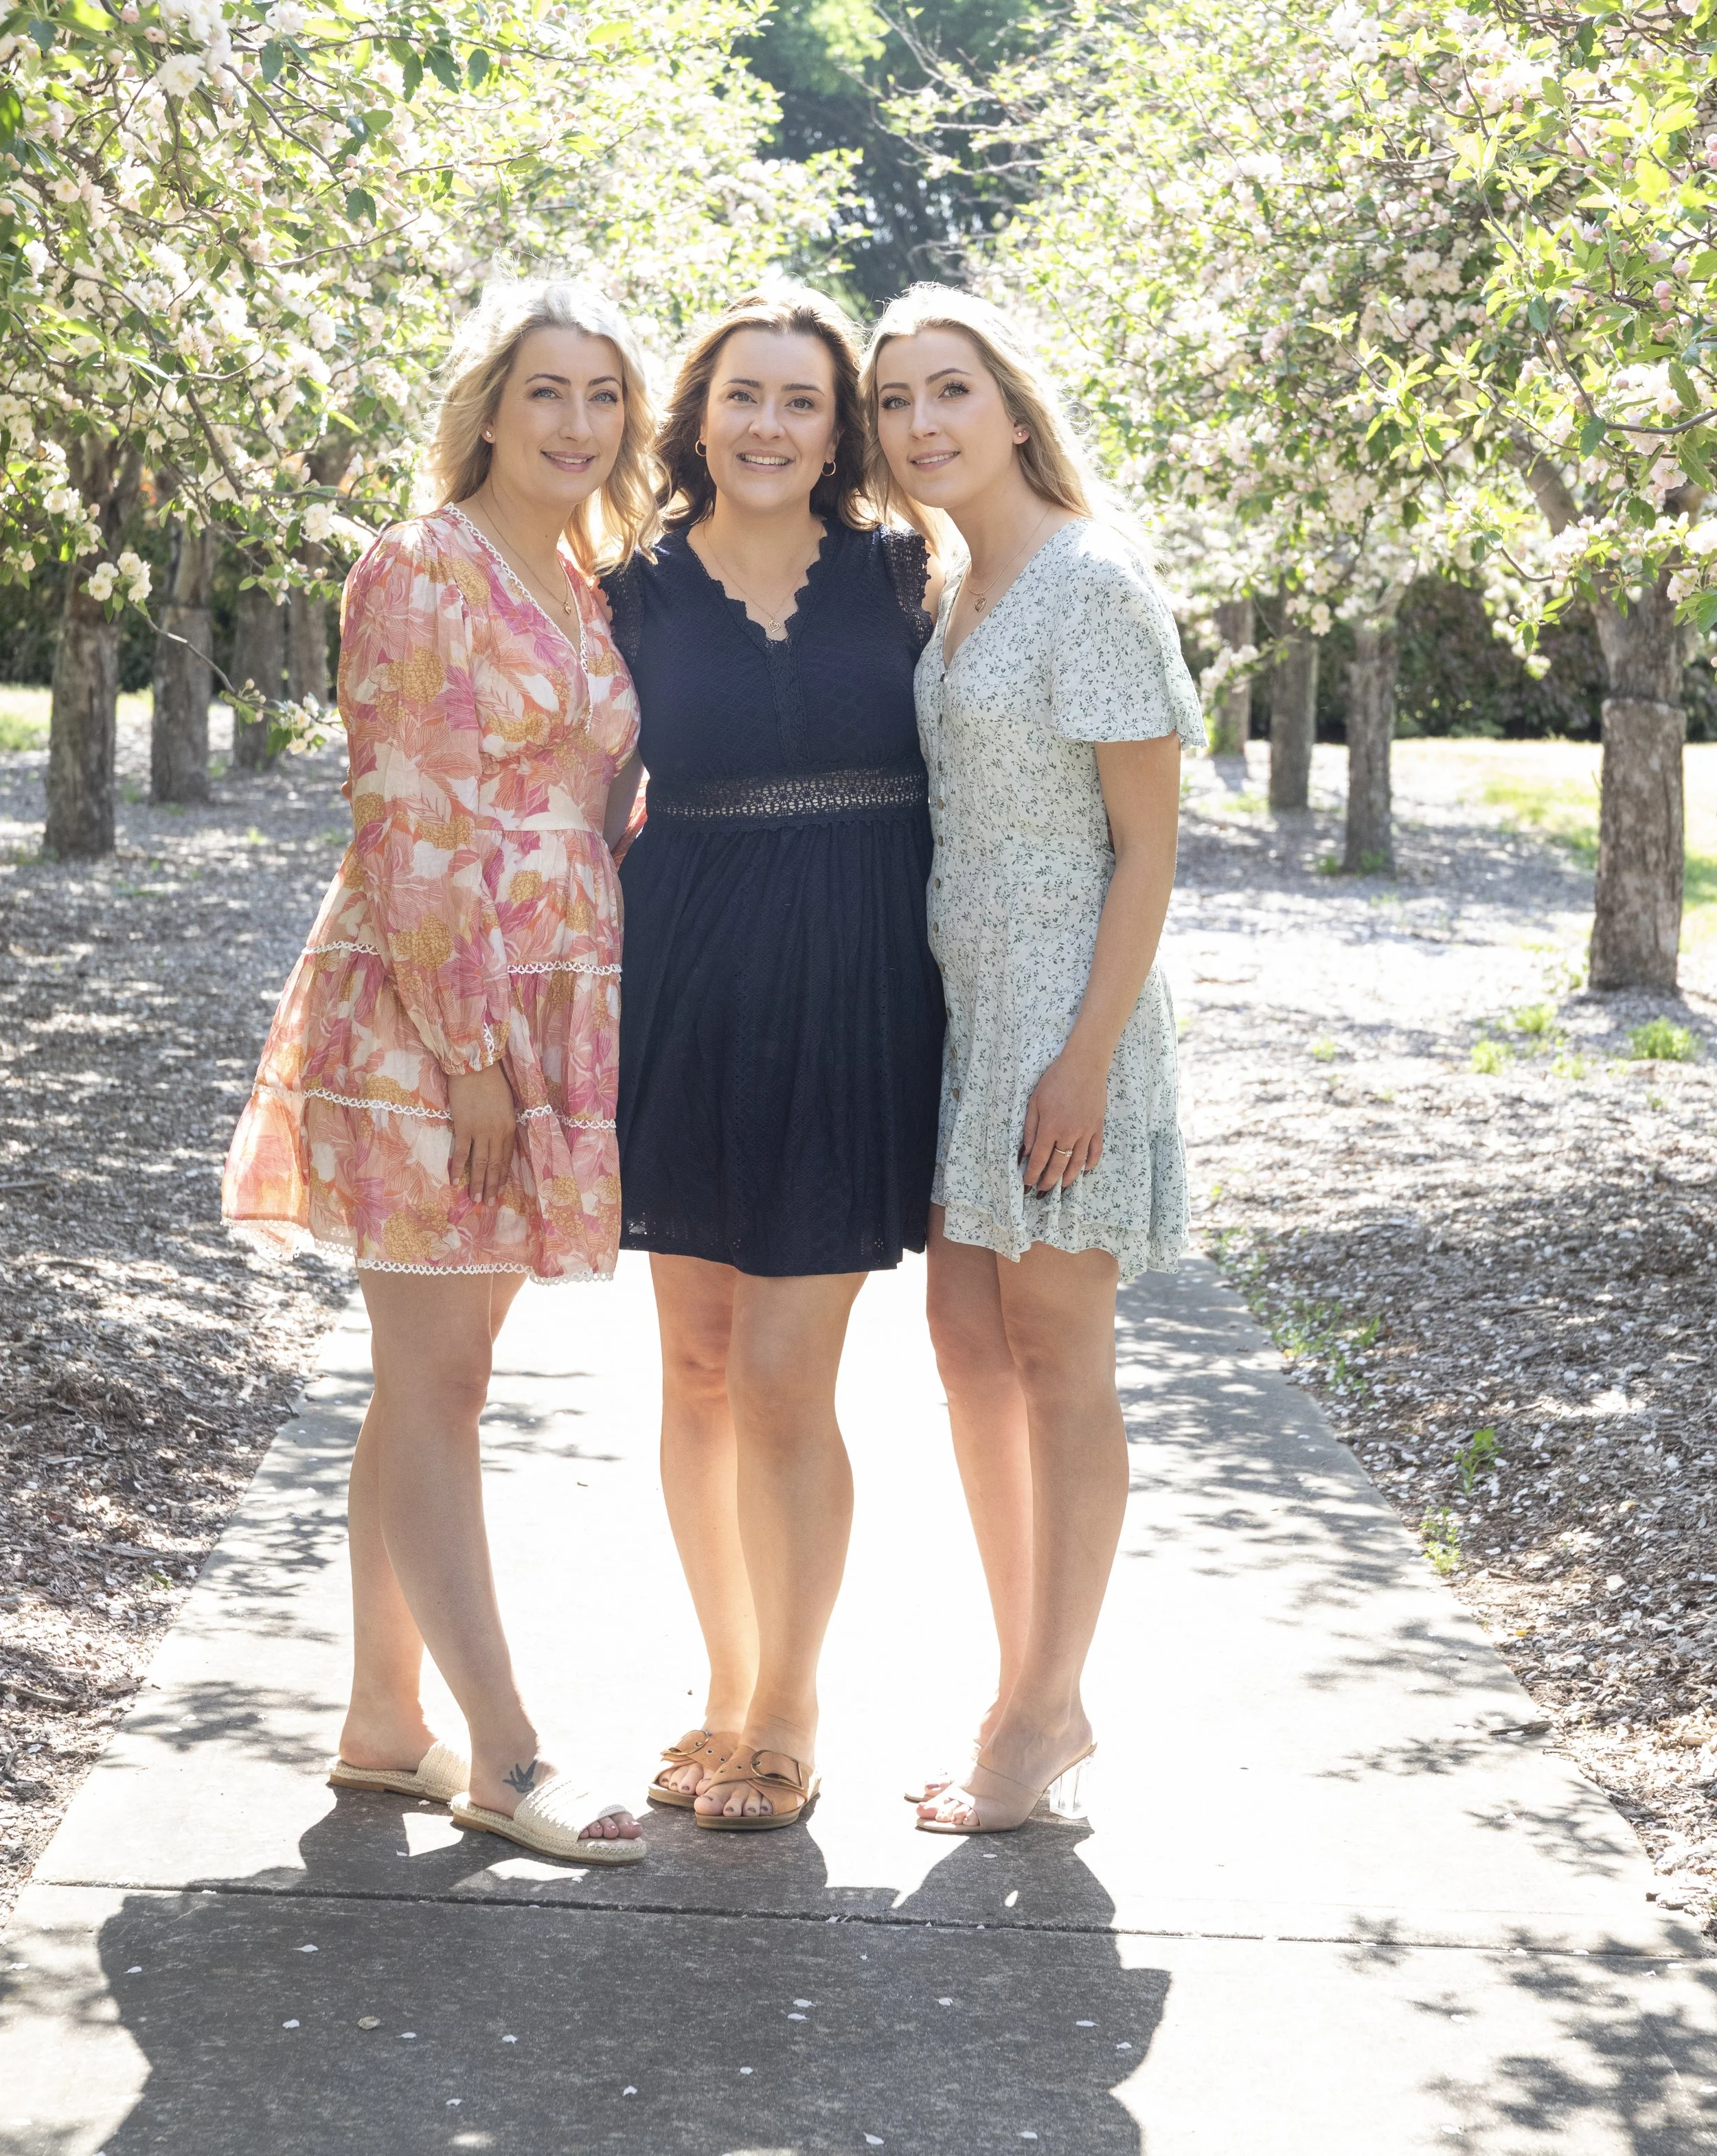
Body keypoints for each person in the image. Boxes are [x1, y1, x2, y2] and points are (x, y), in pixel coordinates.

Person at [222, 279, 654, 1864]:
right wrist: (474, 1052)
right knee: (441, 1383)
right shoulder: (421, 567)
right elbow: (406, 815)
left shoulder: (582, 578)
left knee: (427, 1380)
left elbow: (589, 786)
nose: (574, 424)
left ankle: (380, 1722)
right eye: (547, 392)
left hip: (554, 1000)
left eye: (603, 397)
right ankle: (504, 1750)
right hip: (435, 1009)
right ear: (488, 406)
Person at [862, 285, 1206, 1834]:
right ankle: (1023, 1691)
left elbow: (1146, 851)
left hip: (1068, 1015)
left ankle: (1041, 1713)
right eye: (893, 402)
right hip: (965, 1016)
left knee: (1059, 1360)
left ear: (1011, 405)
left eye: (948, 391)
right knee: (962, 1346)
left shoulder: (1088, 580)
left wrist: (1079, 1060)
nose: (920, 423)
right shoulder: (956, 578)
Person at [603, 285, 944, 1829]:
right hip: (684, 985)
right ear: (697, 414)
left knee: (788, 1377)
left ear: (839, 427)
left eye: (801, 401)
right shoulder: (629, 590)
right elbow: (572, 793)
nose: (767, 424)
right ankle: (724, 1687)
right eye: (743, 394)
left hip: (856, 988)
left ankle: (793, 1710)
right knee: (692, 1365)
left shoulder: (903, 571)